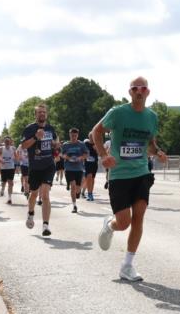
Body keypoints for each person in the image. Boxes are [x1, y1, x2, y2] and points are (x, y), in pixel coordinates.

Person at [91, 76, 167, 282]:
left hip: (141, 172)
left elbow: (150, 143)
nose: (139, 91)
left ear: (148, 92)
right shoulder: (117, 113)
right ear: (130, 92)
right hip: (119, 174)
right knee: (124, 223)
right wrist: (103, 156)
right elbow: (95, 133)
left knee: (139, 217)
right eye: (135, 88)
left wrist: (158, 152)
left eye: (143, 88)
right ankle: (110, 225)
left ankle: (127, 265)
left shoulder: (151, 116)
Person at [21, 103, 59, 236]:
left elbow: (55, 142)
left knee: (45, 195)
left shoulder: (50, 128)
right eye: (39, 112)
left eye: (44, 112)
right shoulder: (30, 128)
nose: (42, 114)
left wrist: (56, 145)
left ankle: (45, 226)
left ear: (46, 114)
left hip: (49, 165)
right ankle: (30, 214)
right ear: (35, 115)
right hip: (35, 167)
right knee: (33, 194)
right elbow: (24, 146)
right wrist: (36, 137)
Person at [61, 128, 88, 213]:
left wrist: (80, 158)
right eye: (72, 135)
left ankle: (78, 193)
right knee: (72, 185)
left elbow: (86, 154)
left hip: (79, 168)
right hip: (69, 168)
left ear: (77, 135)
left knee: (77, 188)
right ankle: (74, 205)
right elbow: (61, 154)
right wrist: (67, 157)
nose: (74, 137)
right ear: (69, 135)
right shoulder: (65, 145)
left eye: (75, 136)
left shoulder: (81, 144)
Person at [0, 136, 17, 204]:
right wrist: (1, 161)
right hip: (4, 167)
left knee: (10, 183)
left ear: (10, 142)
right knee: (3, 182)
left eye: (8, 141)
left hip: (11, 167)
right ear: (4, 142)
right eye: (6, 141)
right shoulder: (1, 148)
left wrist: (15, 158)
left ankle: (9, 198)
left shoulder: (13, 148)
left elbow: (16, 156)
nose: (7, 142)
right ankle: (2, 189)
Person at [83, 137, 99, 201]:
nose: (92, 138)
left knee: (92, 178)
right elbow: (82, 151)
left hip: (94, 164)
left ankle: (90, 193)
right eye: (91, 137)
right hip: (87, 164)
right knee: (89, 177)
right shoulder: (85, 143)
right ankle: (89, 193)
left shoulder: (97, 143)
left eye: (93, 136)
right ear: (89, 137)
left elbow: (101, 153)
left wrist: (97, 149)